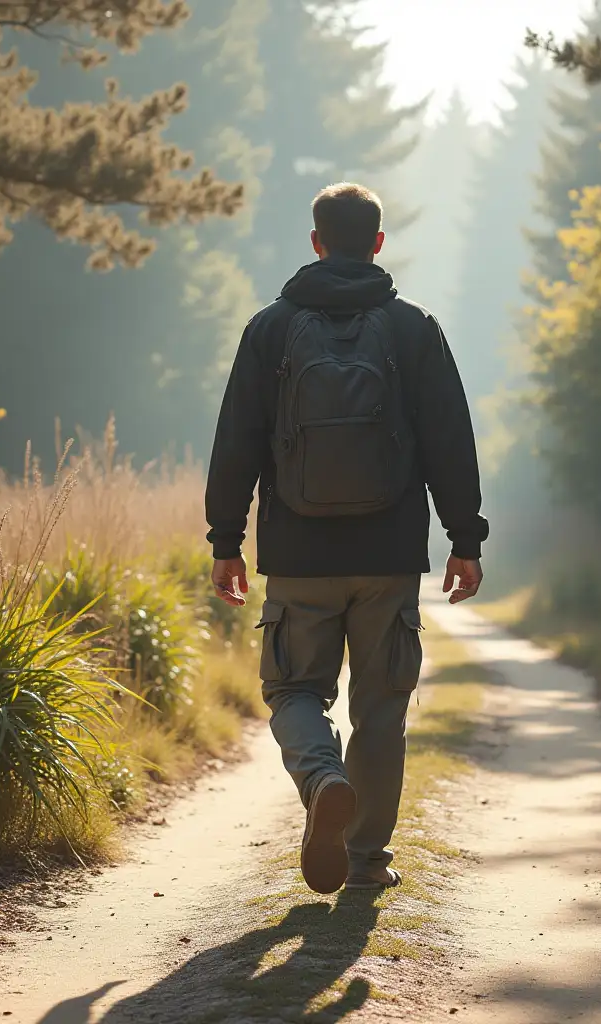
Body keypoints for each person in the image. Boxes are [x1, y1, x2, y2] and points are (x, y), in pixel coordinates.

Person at [205, 182, 488, 895]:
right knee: (382, 709)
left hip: (299, 557)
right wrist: (465, 537)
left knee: (295, 687)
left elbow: (236, 441)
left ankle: (321, 777)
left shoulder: (269, 331)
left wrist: (225, 539)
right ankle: (366, 859)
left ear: (317, 242)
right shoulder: (413, 327)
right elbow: (450, 439)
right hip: (389, 554)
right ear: (380, 244)